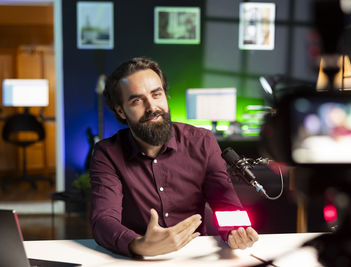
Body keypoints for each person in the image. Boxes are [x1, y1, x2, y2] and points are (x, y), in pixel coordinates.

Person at [89, 57, 259, 257]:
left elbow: (225, 202)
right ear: (121, 111)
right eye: (137, 100)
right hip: (137, 259)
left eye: (156, 94)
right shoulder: (107, 153)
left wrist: (235, 231)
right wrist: (138, 245)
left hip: (195, 257)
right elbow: (103, 220)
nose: (151, 107)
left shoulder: (202, 141)